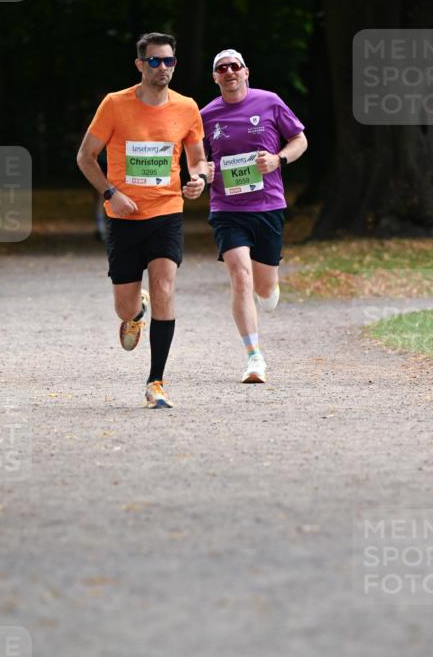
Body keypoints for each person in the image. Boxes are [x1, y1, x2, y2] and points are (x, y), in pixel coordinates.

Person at [77, 32, 208, 408]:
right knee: (124, 304)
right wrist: (110, 193)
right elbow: (86, 157)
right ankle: (135, 314)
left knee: (166, 287)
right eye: (154, 61)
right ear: (140, 64)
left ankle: (156, 382)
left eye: (168, 61)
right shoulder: (115, 104)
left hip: (167, 213)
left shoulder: (186, 107)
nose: (162, 67)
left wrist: (197, 179)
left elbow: (197, 159)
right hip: (123, 217)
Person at [200, 49, 307, 383]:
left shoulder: (270, 102)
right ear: (215, 77)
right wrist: (205, 171)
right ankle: (254, 357)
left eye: (235, 66)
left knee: (265, 289)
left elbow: (299, 139)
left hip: (268, 206)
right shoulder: (206, 115)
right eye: (222, 68)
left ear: (246, 72)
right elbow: (194, 160)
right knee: (240, 276)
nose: (229, 71)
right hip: (227, 209)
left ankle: (270, 289)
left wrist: (278, 160)